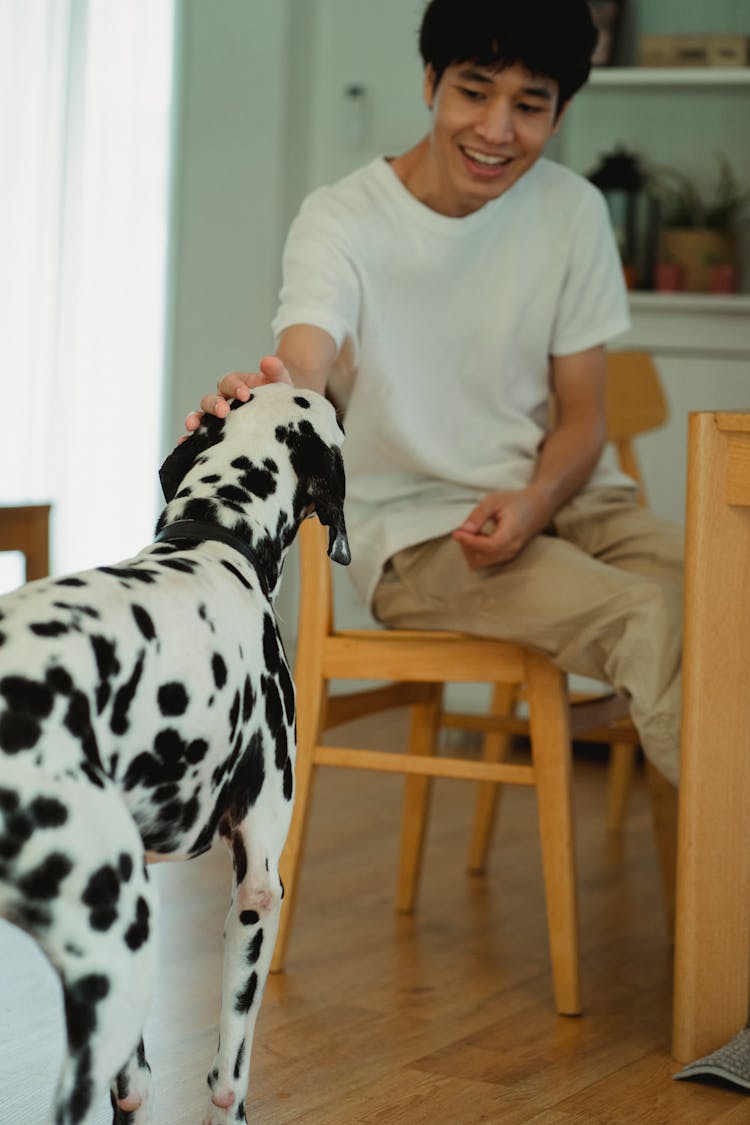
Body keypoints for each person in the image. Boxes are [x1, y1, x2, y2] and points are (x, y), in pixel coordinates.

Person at [188, 0, 683, 786]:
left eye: (529, 104)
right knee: (653, 621)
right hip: (422, 531)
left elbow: (585, 417)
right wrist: (267, 398)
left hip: (566, 494)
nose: (496, 128)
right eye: (475, 90)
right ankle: (726, 884)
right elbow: (305, 358)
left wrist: (537, 498)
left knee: (730, 589)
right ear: (430, 81)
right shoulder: (342, 221)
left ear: (560, 115)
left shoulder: (573, 212)